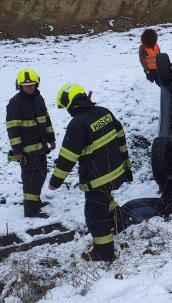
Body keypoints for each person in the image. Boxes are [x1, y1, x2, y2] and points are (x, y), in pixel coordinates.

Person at [48, 83, 134, 262]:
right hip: (116, 173)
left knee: (95, 215)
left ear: (71, 104)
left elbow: (67, 158)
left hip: (97, 179)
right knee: (104, 199)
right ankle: (120, 218)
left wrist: (55, 181)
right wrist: (126, 165)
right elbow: (121, 138)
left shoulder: (77, 125)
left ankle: (104, 252)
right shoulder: (104, 112)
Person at [6, 68, 56, 218]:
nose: (29, 87)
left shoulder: (38, 99)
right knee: (30, 179)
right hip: (27, 151)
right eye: (26, 85)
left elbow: (46, 120)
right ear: (19, 86)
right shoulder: (15, 103)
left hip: (40, 147)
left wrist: (51, 138)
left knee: (40, 175)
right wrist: (17, 152)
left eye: (32, 84)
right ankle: (31, 210)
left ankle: (35, 202)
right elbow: (12, 129)